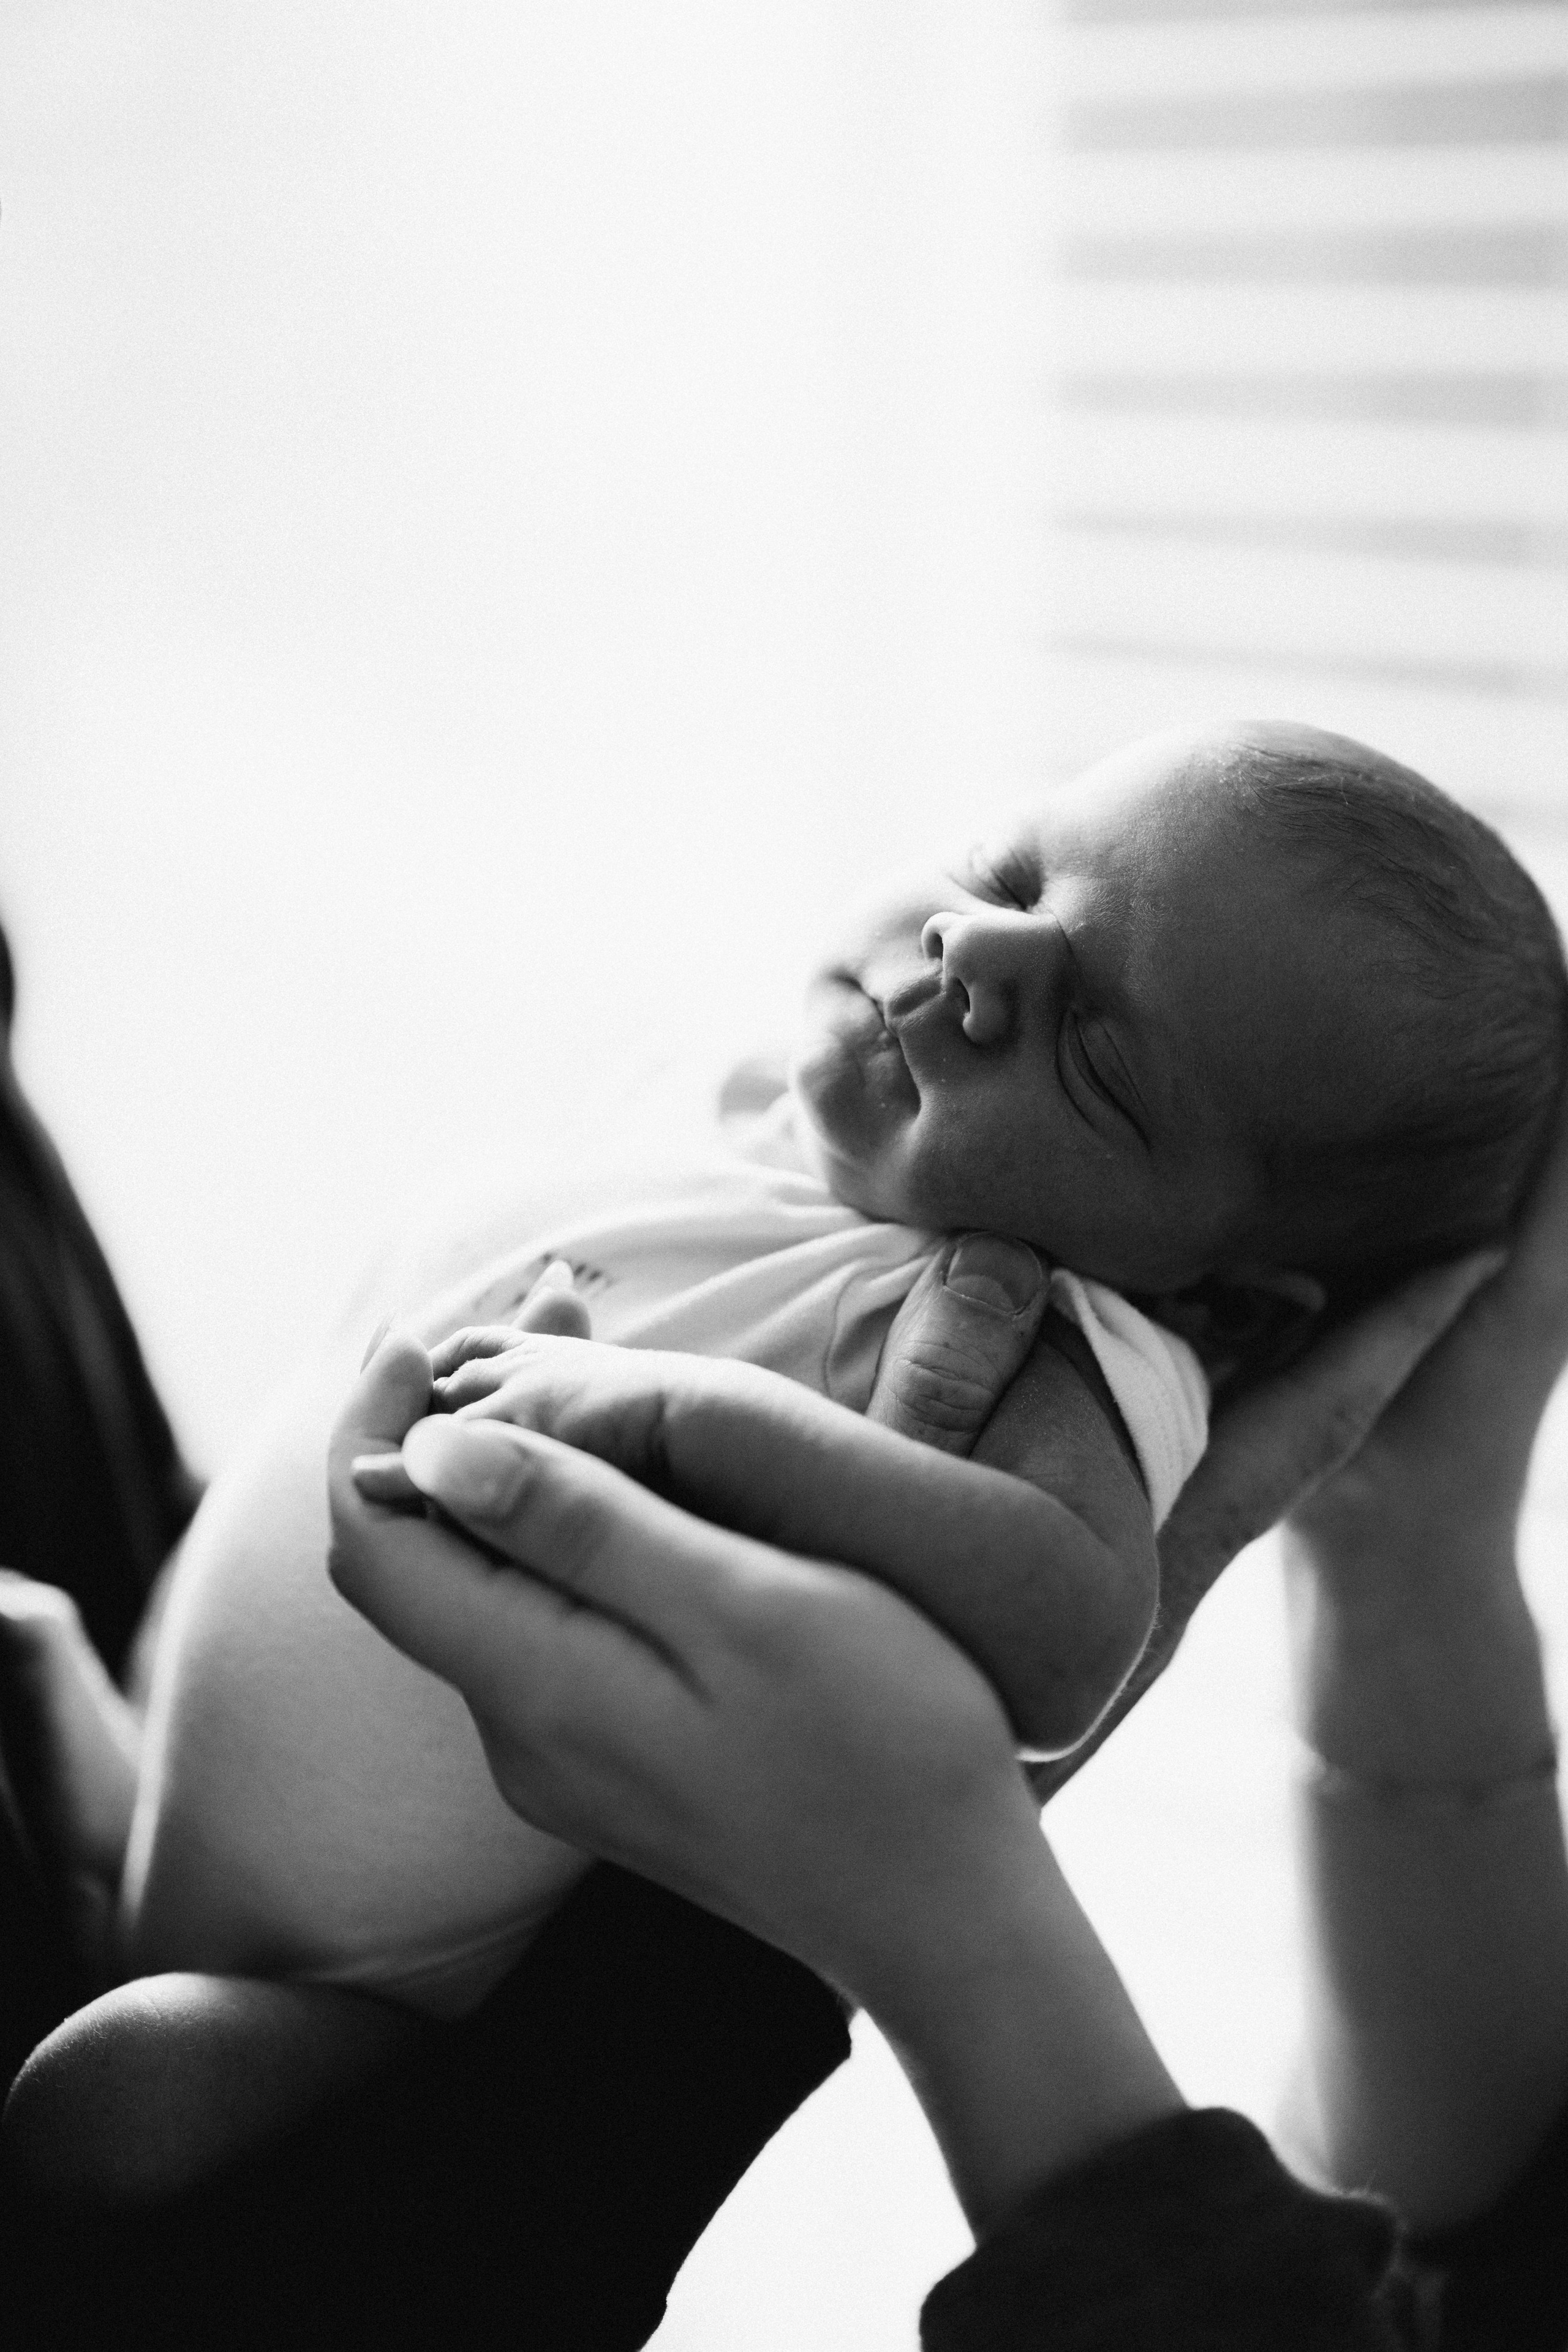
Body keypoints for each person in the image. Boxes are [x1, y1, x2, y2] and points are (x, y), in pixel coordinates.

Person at [7, 720, 1563, 2065]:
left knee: (131, 2089)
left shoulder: (1042, 1331)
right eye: (1006, 873)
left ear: (1220, 1299)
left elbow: (1073, 1626)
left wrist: (689, 1427)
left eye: (1094, 1055)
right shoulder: (738, 1106)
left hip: (325, 2004)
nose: (973, 954)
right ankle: (113, 1838)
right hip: (193, 1732)